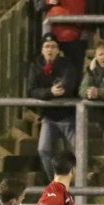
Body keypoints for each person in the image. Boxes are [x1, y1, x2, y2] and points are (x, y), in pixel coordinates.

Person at [28, 32, 79, 182]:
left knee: (79, 150)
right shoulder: (35, 66)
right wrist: (49, 92)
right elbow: (31, 90)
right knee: (43, 149)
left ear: (58, 49)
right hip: (48, 117)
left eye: (53, 46)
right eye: (46, 46)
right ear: (42, 49)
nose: (49, 50)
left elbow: (67, 85)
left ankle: (77, 182)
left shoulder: (67, 64)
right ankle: (55, 182)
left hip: (68, 115)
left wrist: (52, 91)